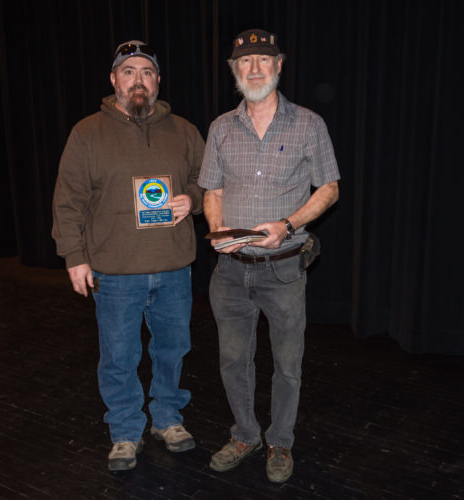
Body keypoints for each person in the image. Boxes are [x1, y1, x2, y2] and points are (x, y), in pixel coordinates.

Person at [52, 40, 205, 471]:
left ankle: (168, 418)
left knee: (173, 349)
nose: (138, 80)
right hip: (115, 272)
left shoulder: (185, 131)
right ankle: (124, 429)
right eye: (129, 71)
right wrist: (74, 257)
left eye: (147, 72)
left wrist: (191, 199)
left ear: (158, 81)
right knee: (119, 355)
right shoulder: (86, 133)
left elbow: (207, 182)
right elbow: (68, 201)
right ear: (114, 80)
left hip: (174, 268)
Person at [198, 29, 340, 483]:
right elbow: (212, 191)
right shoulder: (220, 128)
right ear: (234, 70)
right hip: (230, 270)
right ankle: (245, 434)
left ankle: (280, 442)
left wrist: (288, 225)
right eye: (245, 62)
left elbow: (330, 189)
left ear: (280, 65)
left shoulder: (309, 124)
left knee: (287, 365)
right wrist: (217, 229)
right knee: (233, 360)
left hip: (283, 271)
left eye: (264, 60)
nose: (254, 69)